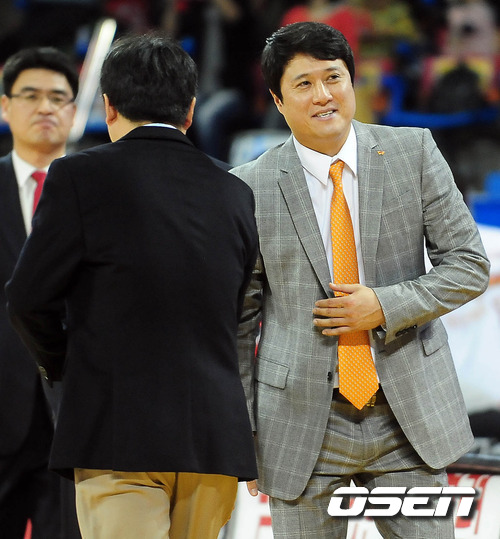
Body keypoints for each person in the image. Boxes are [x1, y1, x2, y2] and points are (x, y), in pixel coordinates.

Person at [232, 21, 490, 538]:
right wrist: (243, 434)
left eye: (334, 78)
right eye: (304, 84)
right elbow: (239, 322)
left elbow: (469, 264)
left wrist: (386, 305)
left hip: (408, 417)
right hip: (300, 423)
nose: (323, 95)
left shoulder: (414, 153)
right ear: (278, 101)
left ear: (353, 82)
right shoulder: (248, 186)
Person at [5, 33, 258, 539]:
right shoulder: (235, 190)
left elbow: (27, 298)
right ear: (190, 110)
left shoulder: (78, 176)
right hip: (212, 440)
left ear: (109, 107)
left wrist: (64, 364)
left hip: (116, 433)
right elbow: (235, 309)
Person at [0, 46, 80, 539]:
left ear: (75, 109)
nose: (45, 107)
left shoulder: (103, 192)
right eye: (30, 95)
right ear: (5, 106)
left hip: (75, 410)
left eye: (57, 97)